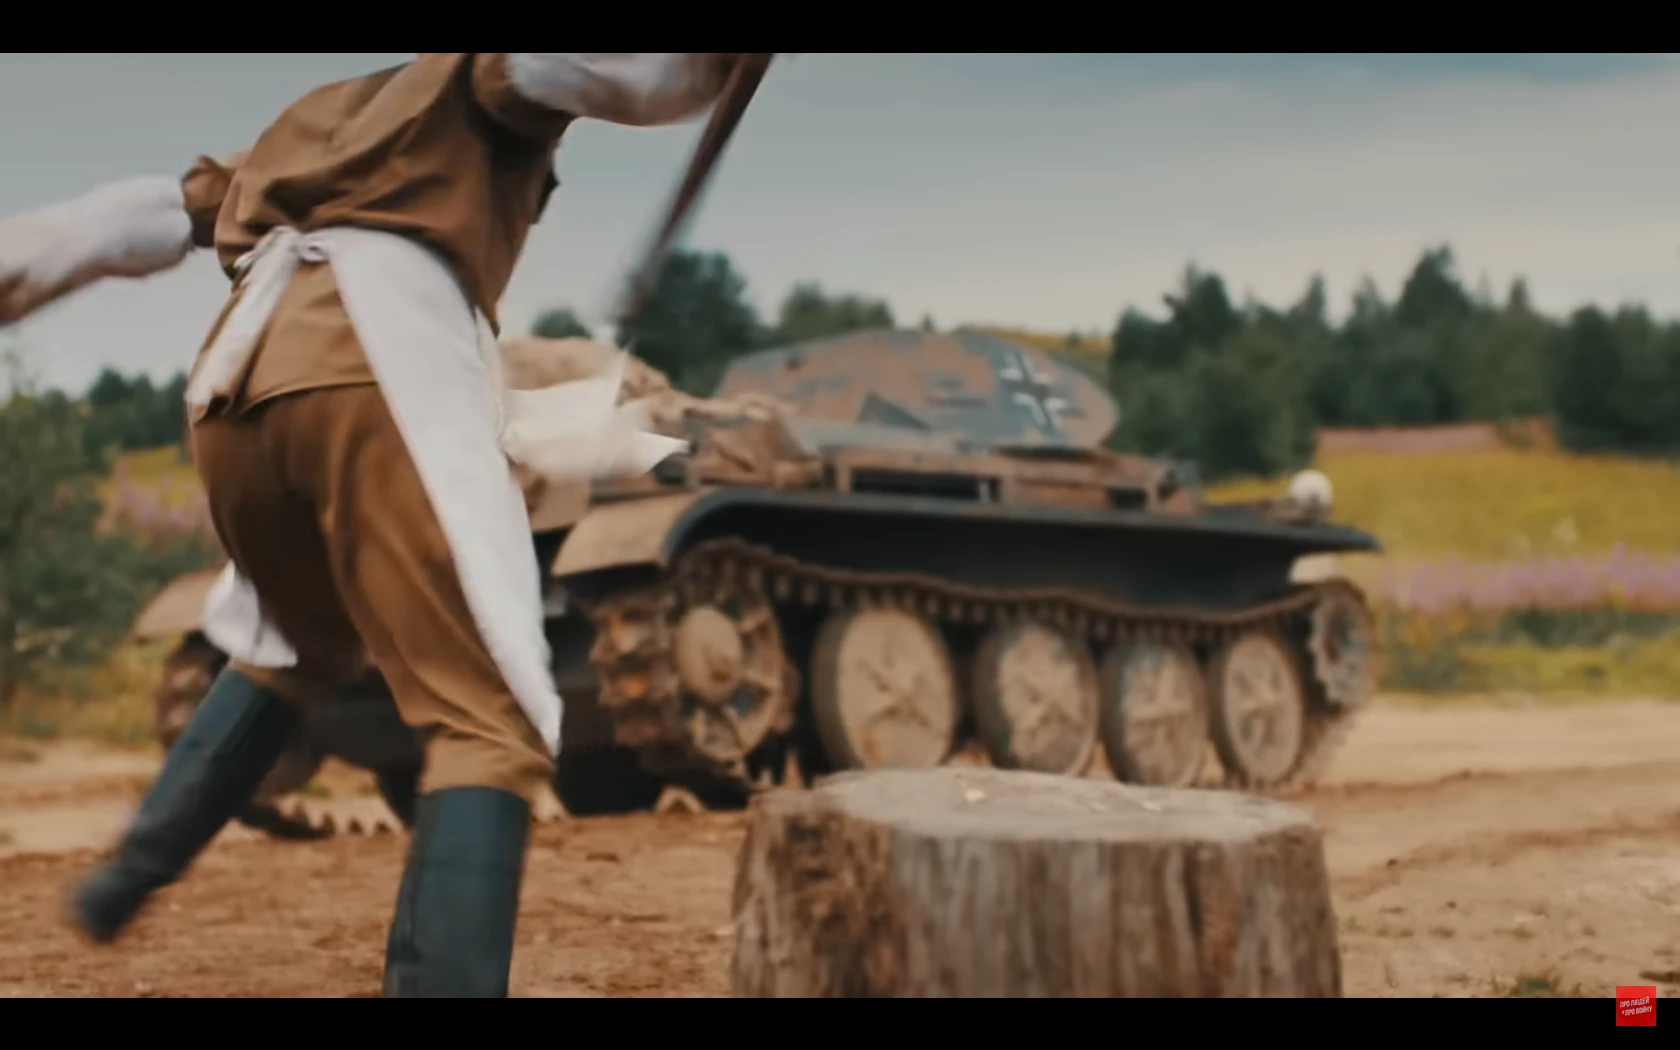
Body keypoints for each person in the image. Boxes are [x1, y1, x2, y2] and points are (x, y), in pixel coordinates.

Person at [0, 53, 754, 997]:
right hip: (377, 356)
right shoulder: (470, 78)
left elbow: (145, 215)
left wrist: (19, 262)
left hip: (235, 395)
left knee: (290, 643)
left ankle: (125, 878)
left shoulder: (319, 122)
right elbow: (615, 73)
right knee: (488, 717)